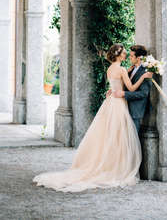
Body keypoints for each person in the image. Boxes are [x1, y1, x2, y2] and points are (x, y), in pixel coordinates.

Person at [32, 43, 153, 192]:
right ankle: (120, 167)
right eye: (124, 53)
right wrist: (144, 77)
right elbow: (132, 88)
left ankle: (110, 165)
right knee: (120, 137)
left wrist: (121, 81)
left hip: (110, 103)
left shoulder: (111, 69)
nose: (126, 55)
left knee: (110, 136)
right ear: (118, 55)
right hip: (119, 103)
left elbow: (118, 83)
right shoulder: (121, 69)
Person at [111, 44, 151, 134]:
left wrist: (124, 94)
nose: (129, 58)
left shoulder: (145, 72)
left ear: (139, 58)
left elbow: (144, 93)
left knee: (132, 139)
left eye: (132, 56)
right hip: (124, 107)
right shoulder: (131, 69)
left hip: (135, 110)